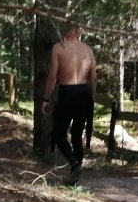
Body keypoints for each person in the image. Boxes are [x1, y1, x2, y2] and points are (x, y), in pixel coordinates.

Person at [41, 21, 97, 182]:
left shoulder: (59, 48)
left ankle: (74, 164)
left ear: (66, 31)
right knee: (77, 135)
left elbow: (53, 76)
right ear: (79, 32)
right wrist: (91, 97)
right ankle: (76, 175)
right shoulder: (88, 50)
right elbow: (93, 78)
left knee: (59, 134)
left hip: (67, 93)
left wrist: (45, 98)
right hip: (84, 94)